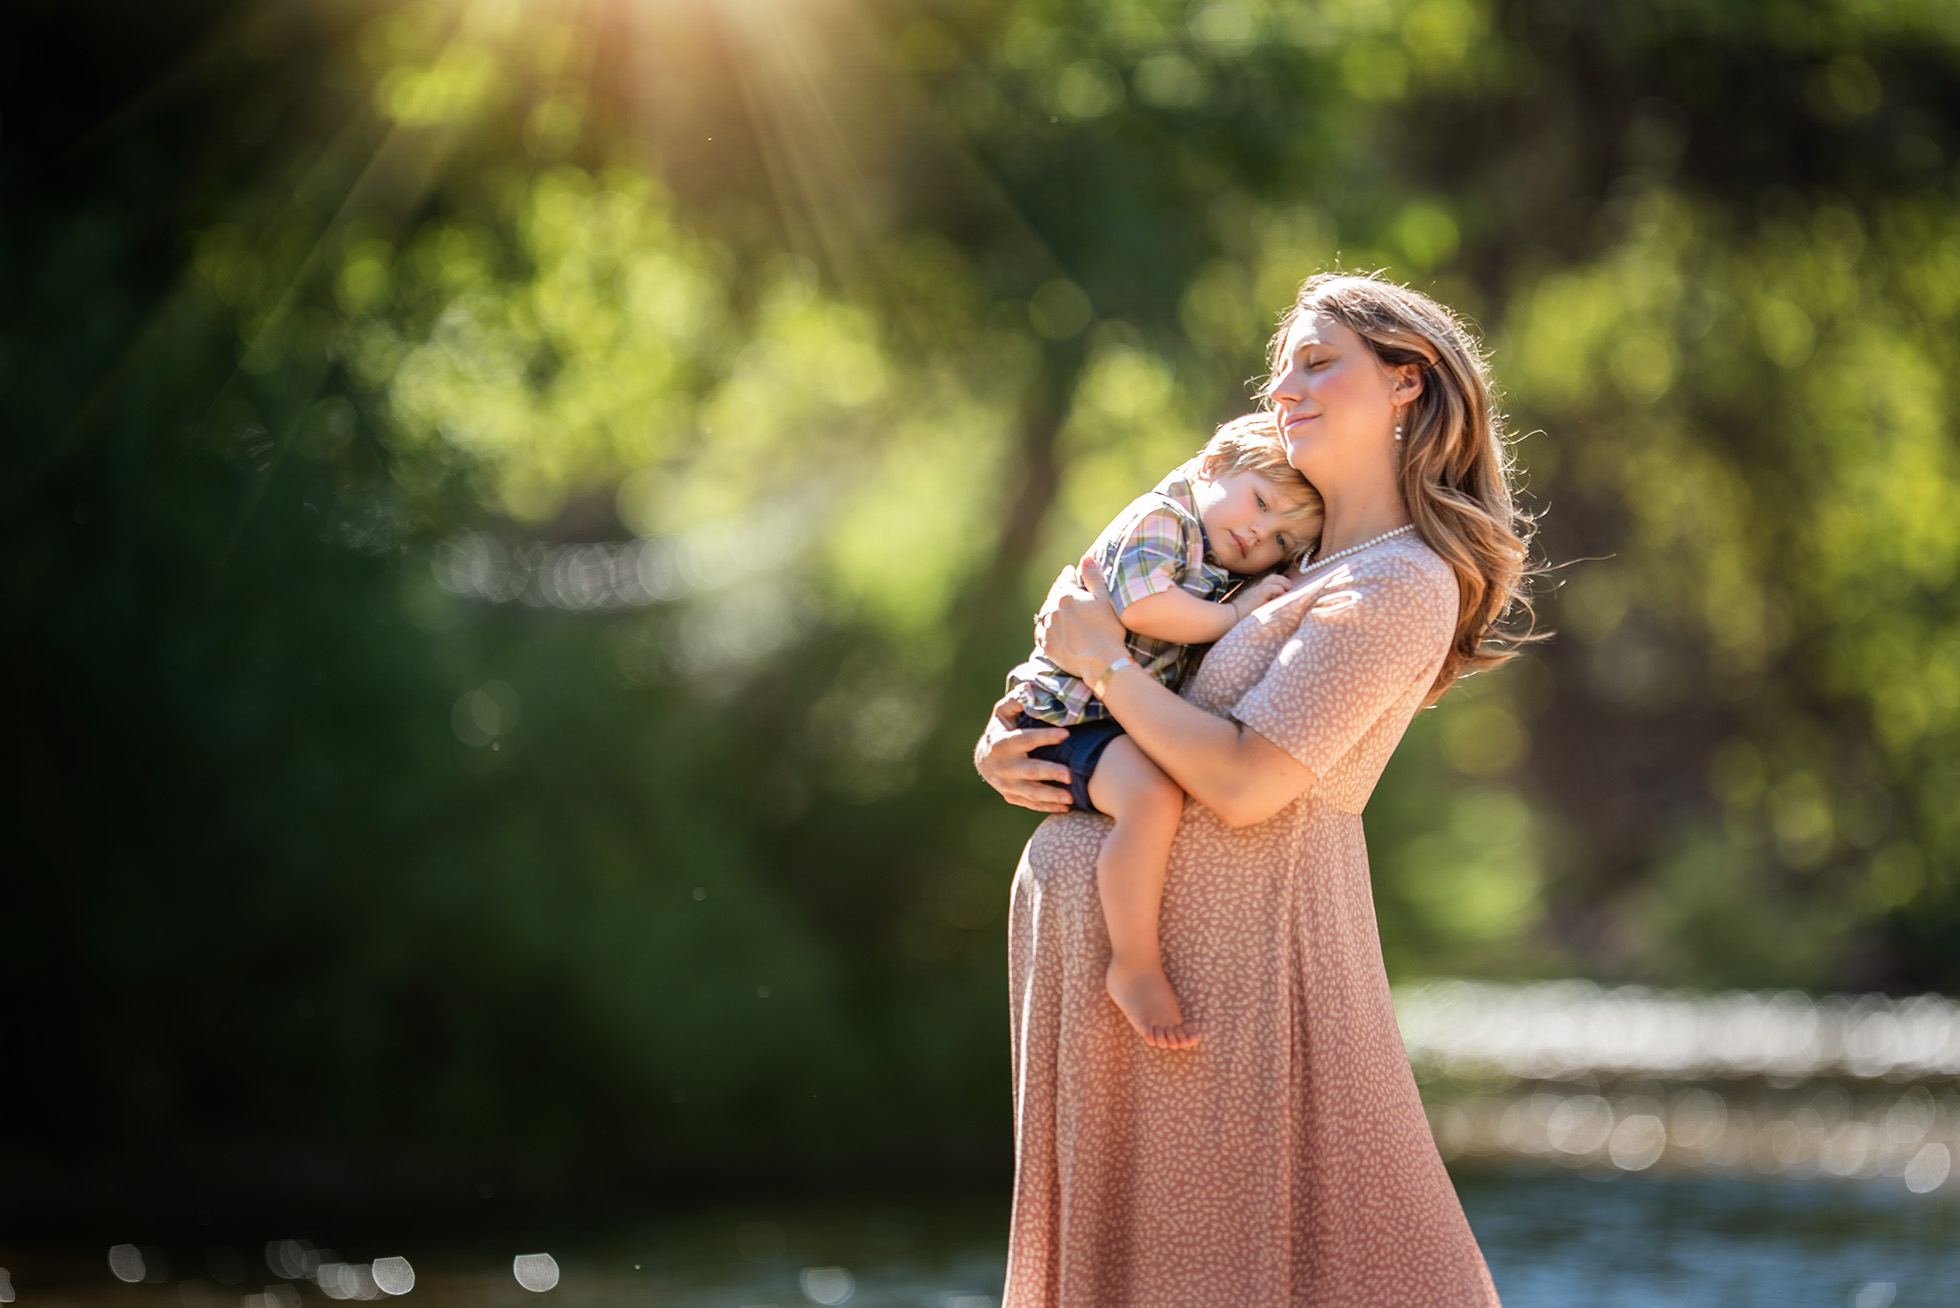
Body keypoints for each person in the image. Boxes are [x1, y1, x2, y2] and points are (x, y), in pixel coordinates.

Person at [974, 271, 1532, 1307]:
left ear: (1405, 383)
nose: (1288, 390)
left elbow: (1240, 783)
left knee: (1240, 1260)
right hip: (1114, 961)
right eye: (1281, 373)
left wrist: (1105, 668)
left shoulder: (1400, 581)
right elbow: (1101, 656)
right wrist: (1019, 742)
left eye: (1319, 363)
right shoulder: (1264, 558)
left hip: (1232, 975)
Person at [1002, 413, 1323, 1050]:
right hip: (1069, 713)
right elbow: (1145, 608)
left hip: (1101, 712)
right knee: (1151, 799)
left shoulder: (1216, 551)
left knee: (1153, 795)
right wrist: (1234, 614)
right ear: (1210, 467)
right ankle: (1134, 964)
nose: (1261, 533)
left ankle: (1134, 957)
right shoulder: (1164, 520)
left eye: (1282, 541)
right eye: (1260, 502)